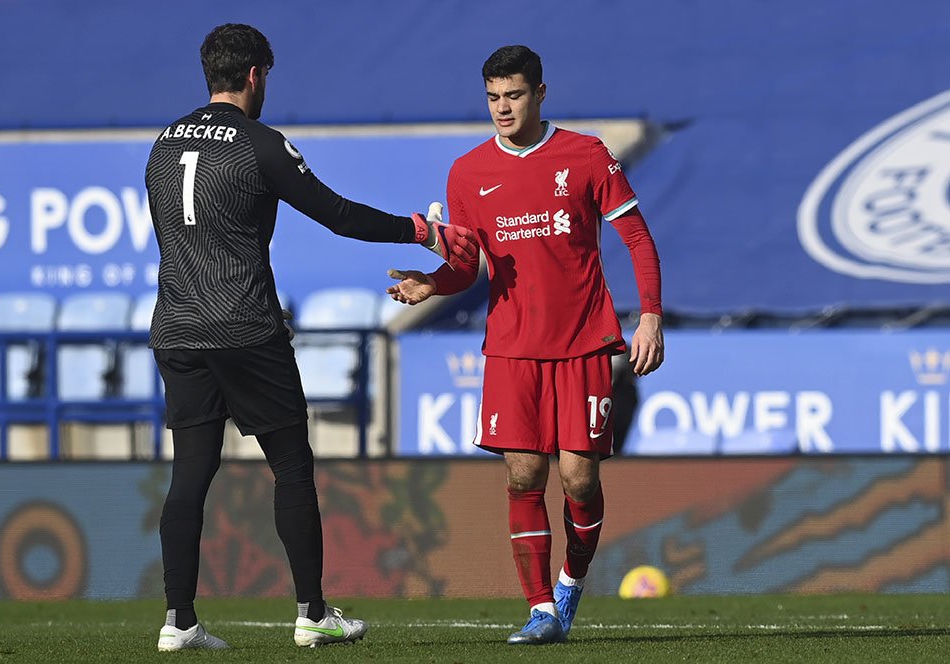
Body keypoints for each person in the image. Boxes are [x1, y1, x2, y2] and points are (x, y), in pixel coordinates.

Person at [144, 23, 476, 651]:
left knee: (189, 475)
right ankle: (312, 613)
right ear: (255, 76)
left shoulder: (163, 145)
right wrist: (418, 231)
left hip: (178, 329)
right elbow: (336, 214)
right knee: (292, 467)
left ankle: (178, 622)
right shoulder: (261, 143)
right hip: (244, 327)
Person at [387, 45, 664, 645]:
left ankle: (571, 580)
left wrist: (649, 319)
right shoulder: (467, 172)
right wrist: (430, 282)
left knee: (580, 481)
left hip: (584, 342)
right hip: (511, 347)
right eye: (493, 98)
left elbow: (638, 240)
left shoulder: (586, 155)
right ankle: (541, 610)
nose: (502, 108)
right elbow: (467, 269)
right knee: (522, 474)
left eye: (513, 95)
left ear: (541, 93)